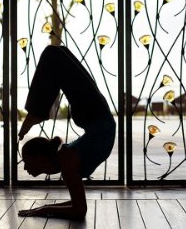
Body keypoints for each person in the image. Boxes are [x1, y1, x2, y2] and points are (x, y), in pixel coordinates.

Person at [17, 45, 116, 220]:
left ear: (40, 158)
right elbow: (78, 207)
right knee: (53, 54)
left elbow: (78, 209)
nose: (25, 168)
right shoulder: (66, 163)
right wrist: (43, 209)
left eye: (27, 161)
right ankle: (37, 111)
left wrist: (43, 209)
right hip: (95, 117)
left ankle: (37, 112)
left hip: (95, 117)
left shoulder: (66, 163)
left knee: (57, 53)